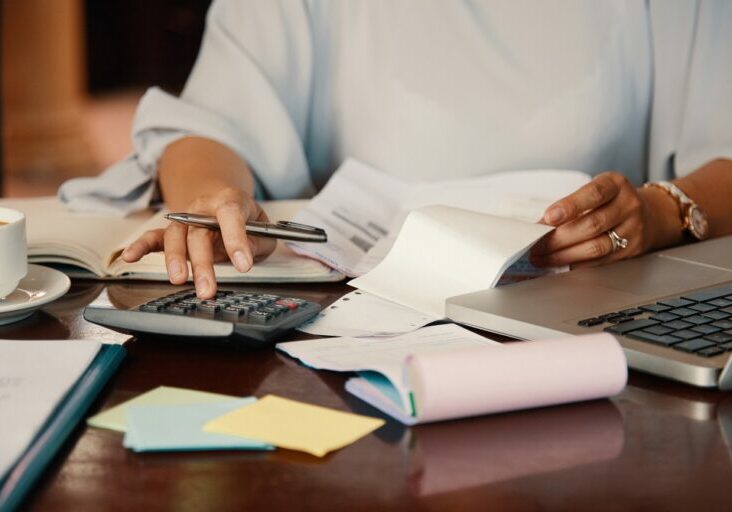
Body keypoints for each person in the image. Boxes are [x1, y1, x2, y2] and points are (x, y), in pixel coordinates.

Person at [60, 0, 732, 299]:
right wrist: (215, 197)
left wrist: (662, 210)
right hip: (361, 316)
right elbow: (208, 126)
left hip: (591, 319)